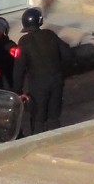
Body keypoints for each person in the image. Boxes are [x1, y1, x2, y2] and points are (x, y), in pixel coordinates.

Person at [13, 7, 72, 135]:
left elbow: (19, 68)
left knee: (38, 117)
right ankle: (54, 141)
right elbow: (67, 54)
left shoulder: (23, 42)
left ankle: (38, 140)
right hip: (56, 81)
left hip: (37, 86)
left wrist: (17, 90)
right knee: (53, 116)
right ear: (39, 21)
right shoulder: (50, 35)